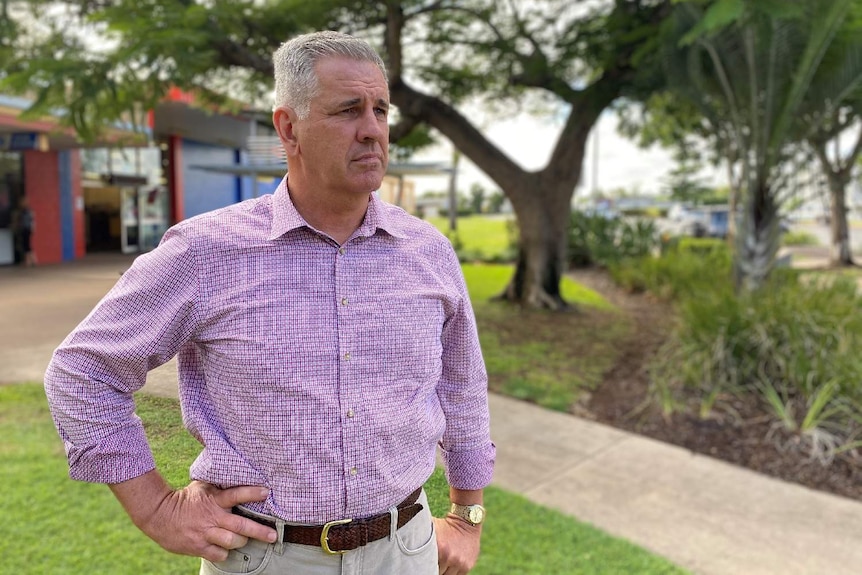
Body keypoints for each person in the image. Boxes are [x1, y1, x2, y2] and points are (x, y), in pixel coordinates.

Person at [44, 30, 495, 575]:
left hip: (404, 550)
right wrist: (156, 509)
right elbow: (83, 372)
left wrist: (467, 516)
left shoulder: (429, 251)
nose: (372, 130)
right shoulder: (206, 251)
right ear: (288, 128)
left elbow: (462, 385)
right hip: (267, 558)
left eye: (380, 109)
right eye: (349, 109)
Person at [12, 196, 36, 266]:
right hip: (24, 229)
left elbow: (32, 221)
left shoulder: (28, 211)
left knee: (27, 245)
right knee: (25, 245)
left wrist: (32, 228)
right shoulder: (22, 211)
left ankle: (31, 260)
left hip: (27, 229)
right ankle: (30, 260)